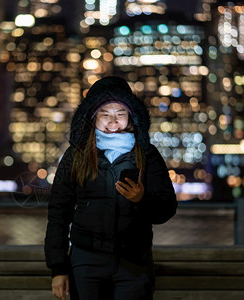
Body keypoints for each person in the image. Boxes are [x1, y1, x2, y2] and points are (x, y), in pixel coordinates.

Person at [44, 76, 177, 300]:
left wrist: (141, 199)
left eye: (120, 113)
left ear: (132, 117)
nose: (113, 121)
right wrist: (58, 269)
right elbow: (59, 213)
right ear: (92, 117)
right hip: (86, 261)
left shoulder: (146, 154)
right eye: (105, 114)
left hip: (134, 262)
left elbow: (167, 209)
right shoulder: (76, 155)